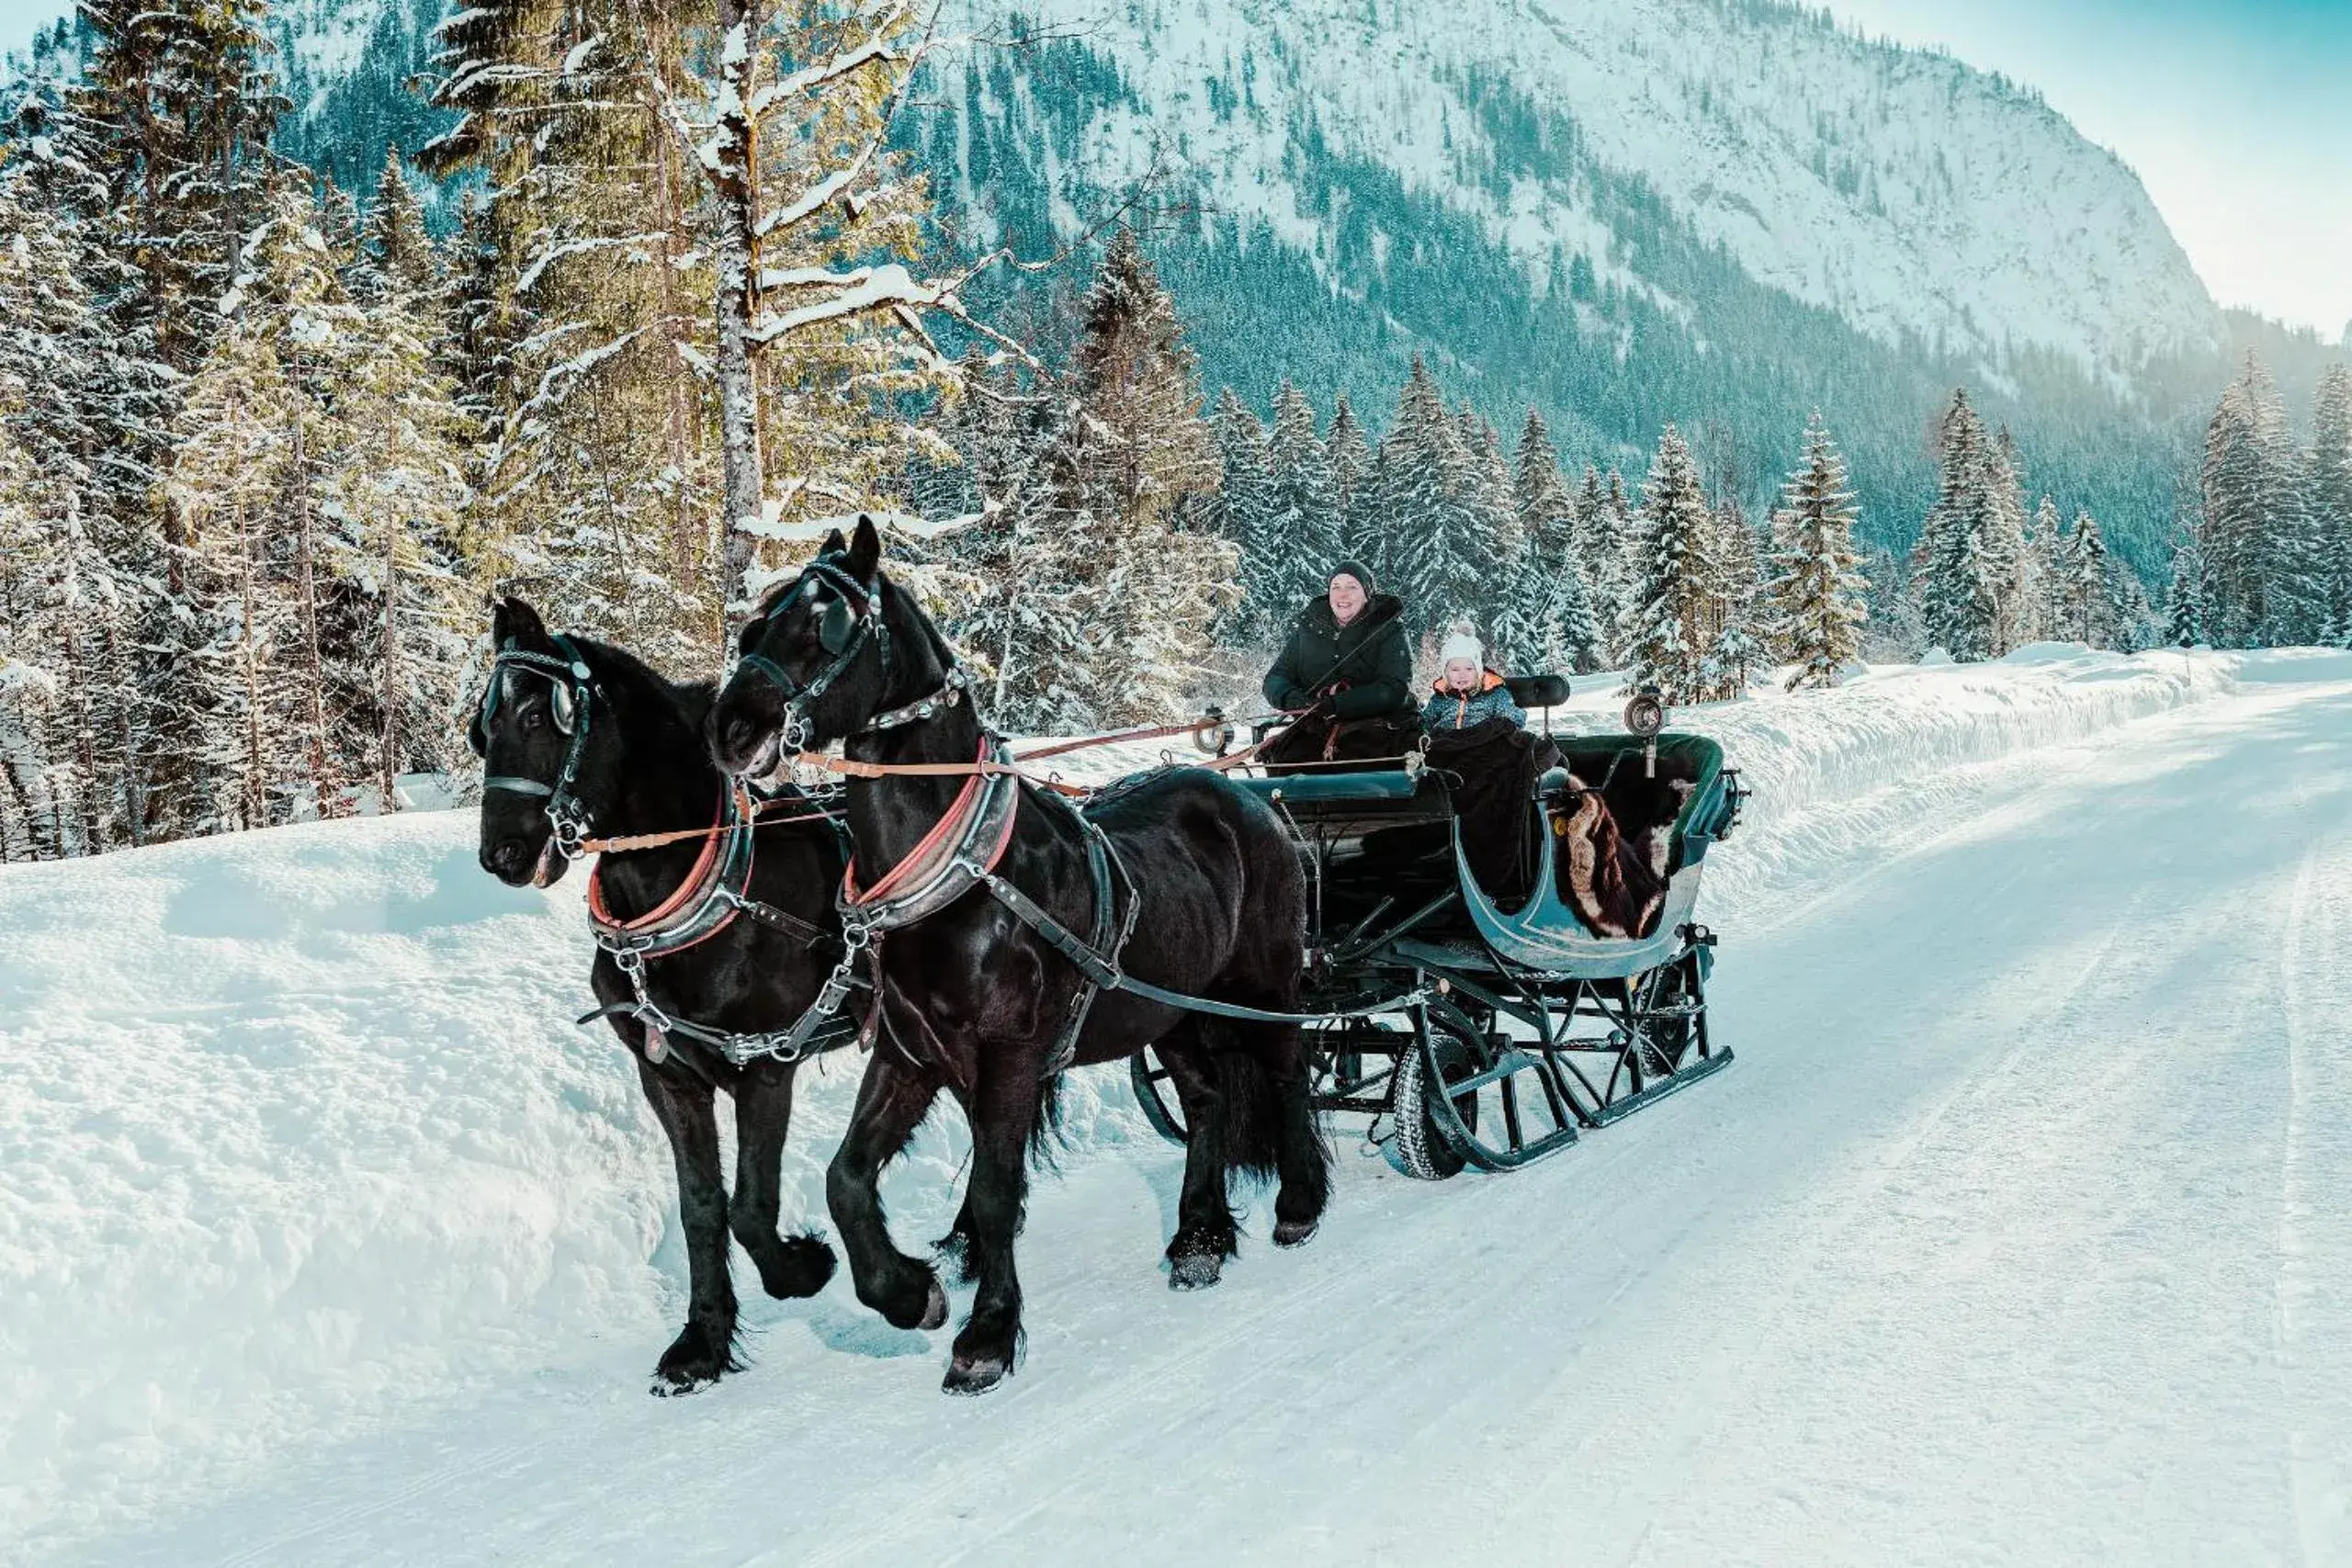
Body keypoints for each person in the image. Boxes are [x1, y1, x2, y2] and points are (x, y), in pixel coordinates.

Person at [1260, 561, 1419, 768]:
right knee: (1284, 768)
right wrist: (1292, 699)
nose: (1342, 595)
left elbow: (1394, 689)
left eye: (1352, 587)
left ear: (1367, 594)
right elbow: (1275, 678)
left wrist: (1337, 705)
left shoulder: (1389, 629)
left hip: (1377, 732)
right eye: (1336, 587)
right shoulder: (1308, 629)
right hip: (1314, 730)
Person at [1421, 628, 1525, 733]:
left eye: (1469, 669)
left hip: (1483, 743)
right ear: (1446, 674)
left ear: (1479, 672)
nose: (1462, 675)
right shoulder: (1440, 699)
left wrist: (1502, 725)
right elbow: (1424, 723)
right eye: (1455, 670)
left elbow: (1515, 719)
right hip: (1449, 744)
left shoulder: (1496, 696)